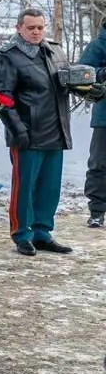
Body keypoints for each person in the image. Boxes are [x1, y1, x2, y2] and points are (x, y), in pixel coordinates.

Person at [0, 9, 76, 256]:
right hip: (27, 133)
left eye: (40, 27)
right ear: (19, 28)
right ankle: (22, 233)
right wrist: (19, 130)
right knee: (24, 187)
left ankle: (42, 232)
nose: (37, 32)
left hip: (55, 130)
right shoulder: (8, 57)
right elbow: (0, 97)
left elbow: (66, 83)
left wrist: (89, 86)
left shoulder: (54, 51)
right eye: (31, 28)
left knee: (50, 187)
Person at [82, 16, 106, 228]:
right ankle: (97, 210)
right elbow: (82, 73)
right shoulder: (98, 45)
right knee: (99, 163)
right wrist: (101, 73)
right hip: (104, 116)